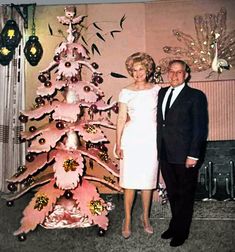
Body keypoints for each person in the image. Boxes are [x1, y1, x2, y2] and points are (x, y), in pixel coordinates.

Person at [157, 60, 208, 247]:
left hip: (185, 154)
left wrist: (193, 155)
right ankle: (174, 225)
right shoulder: (162, 93)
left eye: (179, 72)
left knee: (185, 195)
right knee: (172, 193)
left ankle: (182, 232)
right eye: (171, 71)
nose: (175, 75)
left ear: (186, 74)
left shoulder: (196, 96)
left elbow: (200, 128)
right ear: (167, 73)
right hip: (165, 152)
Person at [115, 52, 161, 239]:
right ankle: (127, 220)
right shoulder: (125, 92)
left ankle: (146, 218)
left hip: (151, 139)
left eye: (141, 69)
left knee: (148, 182)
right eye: (134, 70)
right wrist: (118, 144)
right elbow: (120, 119)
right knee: (130, 182)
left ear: (148, 69)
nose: (138, 73)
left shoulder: (157, 90)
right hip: (132, 138)